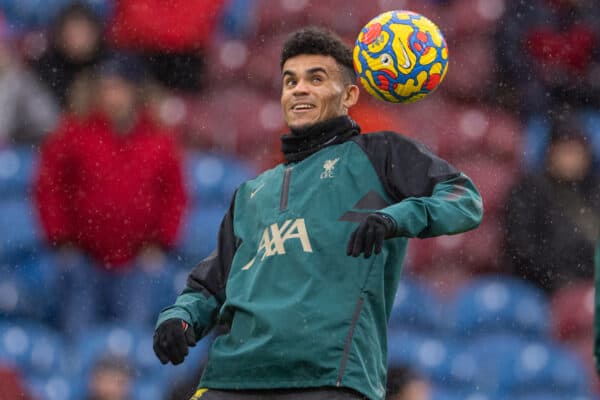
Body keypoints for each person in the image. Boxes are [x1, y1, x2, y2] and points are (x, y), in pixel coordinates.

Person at [153, 27, 482, 400]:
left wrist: (398, 217)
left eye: (316, 78)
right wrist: (178, 318)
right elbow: (210, 286)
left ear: (349, 95)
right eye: (290, 80)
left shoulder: (380, 153)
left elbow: (464, 200)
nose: (299, 88)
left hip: (327, 378)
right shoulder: (252, 192)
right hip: (232, 379)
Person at [34, 53, 187, 334]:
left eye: (118, 88)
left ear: (135, 91)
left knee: (130, 342)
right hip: (83, 258)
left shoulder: (158, 139)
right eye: (105, 88)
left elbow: (173, 195)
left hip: (136, 261)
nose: (111, 96)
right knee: (77, 337)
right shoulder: (74, 132)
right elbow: (49, 187)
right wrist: (60, 238)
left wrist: (160, 243)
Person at [504, 112, 600, 293]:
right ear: (551, 152)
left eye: (576, 150)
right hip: (545, 288)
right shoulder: (528, 191)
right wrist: (560, 279)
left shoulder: (596, 190)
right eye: (565, 150)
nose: (571, 158)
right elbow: (521, 248)